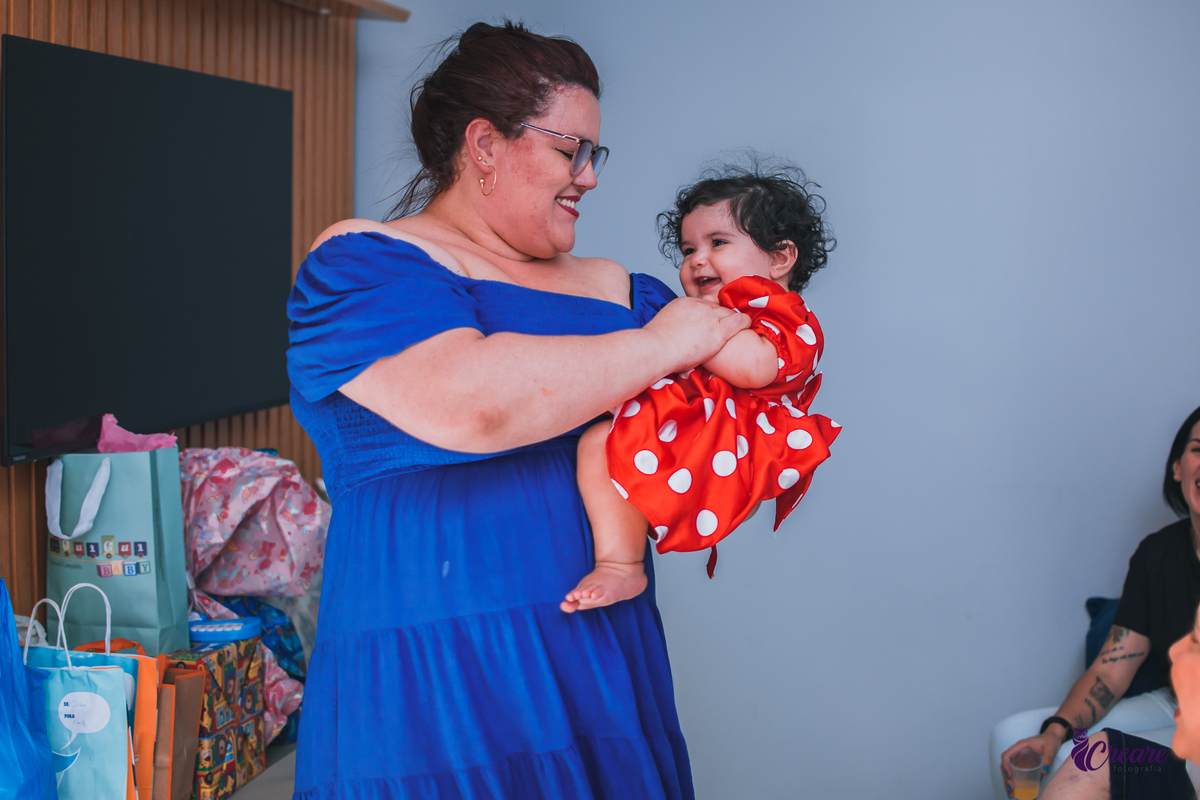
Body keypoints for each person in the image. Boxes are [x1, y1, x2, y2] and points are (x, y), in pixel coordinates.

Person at [286, 21, 751, 800]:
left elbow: (713, 434)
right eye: (572, 150)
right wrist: (663, 346)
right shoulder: (364, 262)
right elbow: (472, 405)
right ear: (486, 144)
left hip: (596, 655)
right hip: (427, 675)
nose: (590, 177)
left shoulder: (620, 289)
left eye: (594, 154)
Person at [562, 166, 840, 612]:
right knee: (598, 442)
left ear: (780, 257)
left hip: (737, 439)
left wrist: (679, 336)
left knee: (604, 440)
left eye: (718, 243)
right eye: (689, 248)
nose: (696, 259)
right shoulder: (717, 311)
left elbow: (754, 368)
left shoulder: (785, 314)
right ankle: (620, 562)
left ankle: (623, 562)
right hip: (702, 420)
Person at [991, 404, 1200, 800]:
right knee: (1016, 736)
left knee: (1099, 757)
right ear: (1178, 468)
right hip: (1174, 702)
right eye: (1199, 448)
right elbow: (1109, 674)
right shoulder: (1156, 555)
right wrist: (1053, 734)